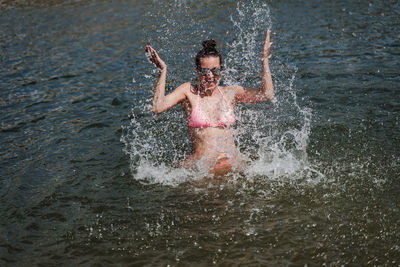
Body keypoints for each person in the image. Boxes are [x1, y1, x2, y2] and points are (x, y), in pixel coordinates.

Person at [145, 30, 273, 175]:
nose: (210, 76)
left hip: (233, 167)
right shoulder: (188, 92)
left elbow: (267, 94)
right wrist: (163, 70)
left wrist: (265, 59)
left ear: (221, 71)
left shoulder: (230, 93)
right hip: (203, 171)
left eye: (215, 71)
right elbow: (157, 107)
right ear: (197, 71)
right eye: (205, 72)